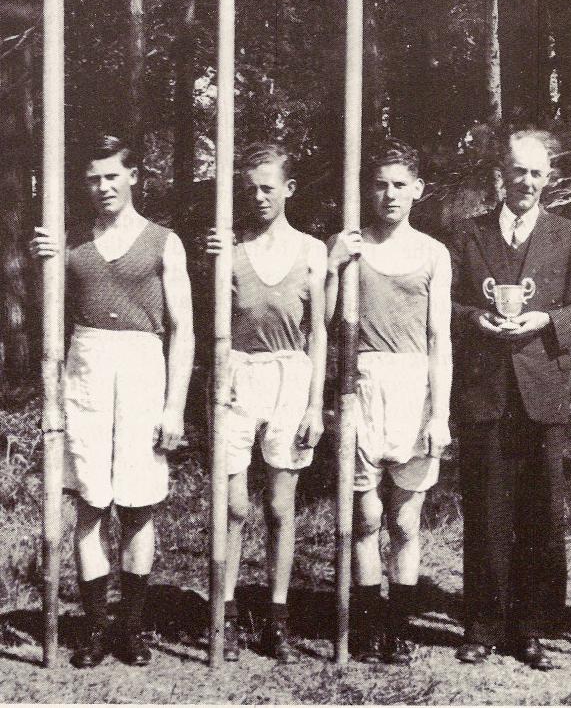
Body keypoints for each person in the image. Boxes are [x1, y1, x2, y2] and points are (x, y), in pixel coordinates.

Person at [29, 135, 194, 668]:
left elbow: (183, 330)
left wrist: (174, 406)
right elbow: (44, 316)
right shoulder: (68, 240)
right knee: (91, 502)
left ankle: (132, 627)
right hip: (87, 366)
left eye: (111, 176)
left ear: (133, 176)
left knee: (139, 504)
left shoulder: (164, 241)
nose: (102, 187)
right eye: (93, 179)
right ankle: (96, 628)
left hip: (144, 366)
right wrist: (41, 264)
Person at [449, 128, 571, 671]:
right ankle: (481, 624)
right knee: (485, 509)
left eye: (538, 174)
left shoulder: (568, 237)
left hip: (542, 393)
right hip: (484, 389)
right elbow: (445, 307)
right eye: (519, 172)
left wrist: (548, 320)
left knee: (538, 513)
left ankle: (529, 626)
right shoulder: (467, 235)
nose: (528, 183)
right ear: (502, 174)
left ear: (549, 179)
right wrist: (476, 318)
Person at [327, 140, 452, 665]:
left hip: (414, 387)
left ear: (417, 191)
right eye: (380, 184)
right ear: (367, 190)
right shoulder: (350, 246)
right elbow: (329, 322)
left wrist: (440, 414)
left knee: (404, 520)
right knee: (365, 518)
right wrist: (334, 267)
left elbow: (439, 338)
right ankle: (369, 624)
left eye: (400, 184)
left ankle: (398, 626)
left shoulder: (432, 252)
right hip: (361, 383)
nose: (389, 194)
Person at [206, 143, 327, 663]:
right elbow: (216, 328)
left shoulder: (311, 251)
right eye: (250, 188)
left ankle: (277, 617)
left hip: (291, 377)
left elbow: (319, 330)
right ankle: (226, 614)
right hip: (239, 375)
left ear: (288, 190)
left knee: (279, 506)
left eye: (268, 188)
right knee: (232, 507)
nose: (258, 197)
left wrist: (315, 405)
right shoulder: (229, 253)